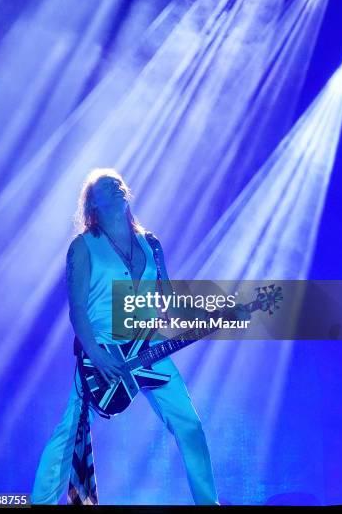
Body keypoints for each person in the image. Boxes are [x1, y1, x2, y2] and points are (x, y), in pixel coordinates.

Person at [31, 167, 220, 505]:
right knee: (71, 431)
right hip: (103, 351)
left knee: (189, 425)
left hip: (151, 349)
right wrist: (97, 354)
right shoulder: (83, 247)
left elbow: (169, 303)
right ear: (92, 203)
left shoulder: (151, 244)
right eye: (106, 185)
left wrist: (208, 316)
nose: (116, 186)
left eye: (118, 183)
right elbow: (77, 310)